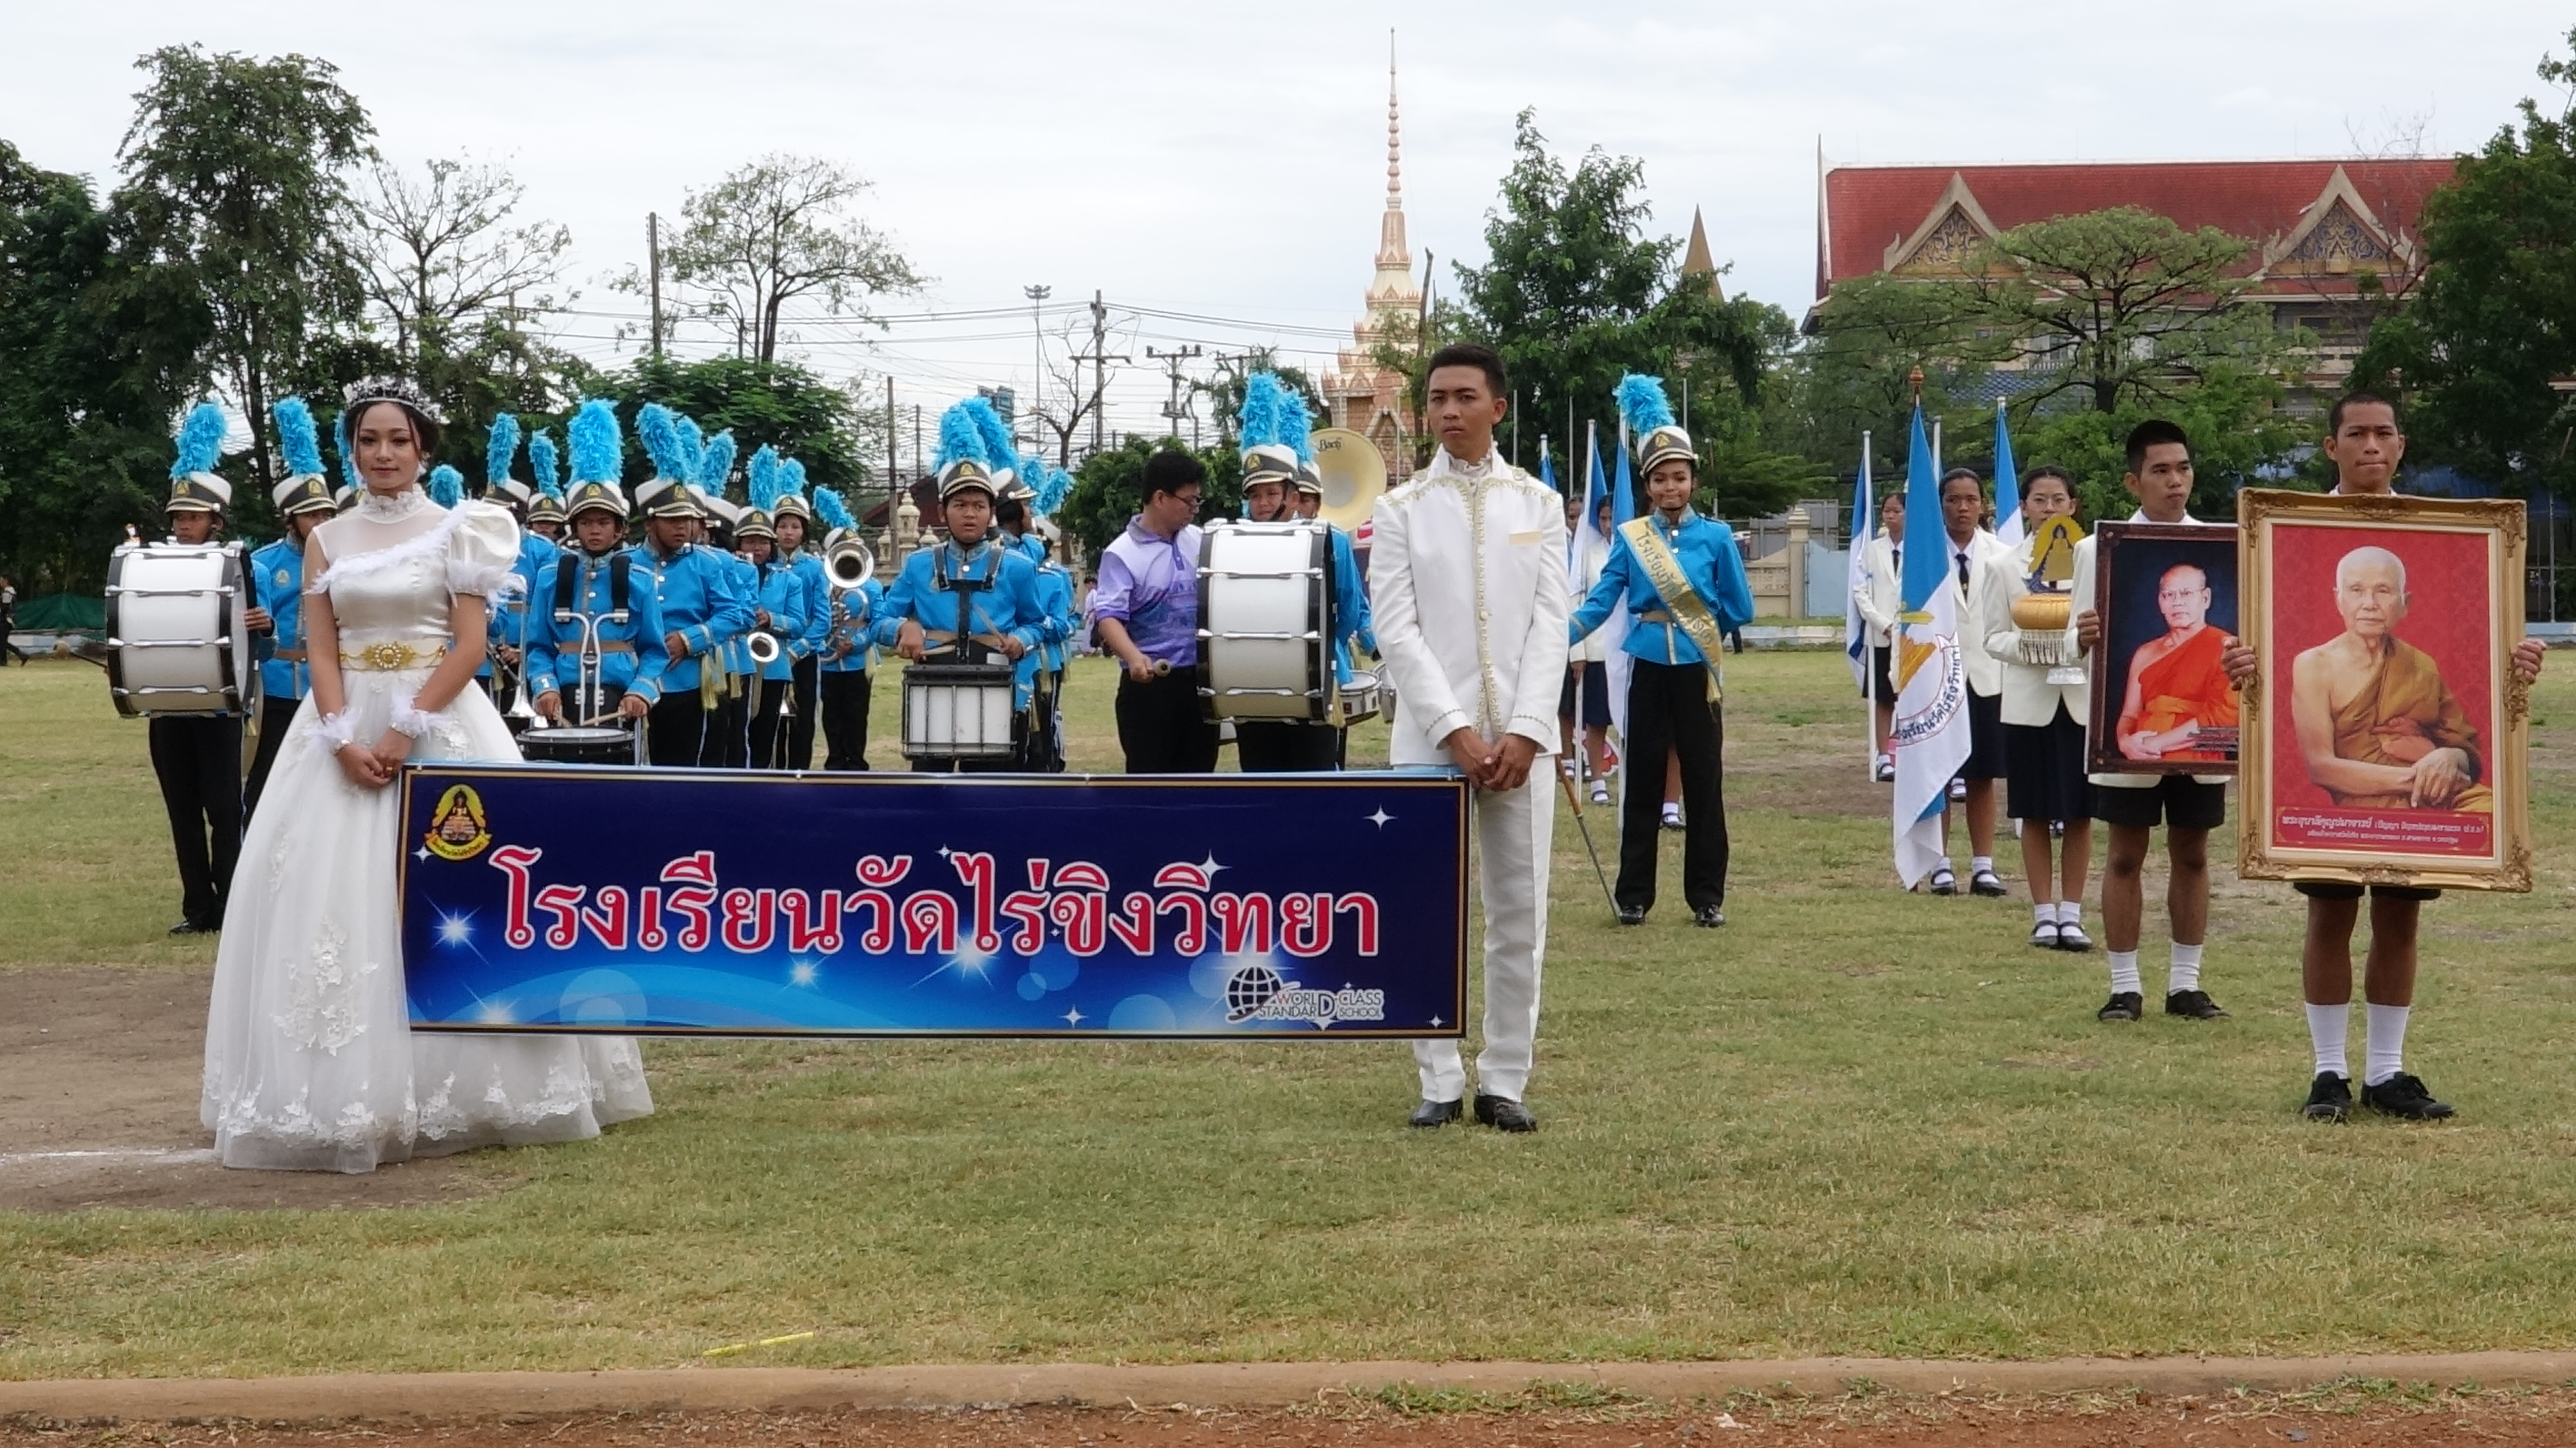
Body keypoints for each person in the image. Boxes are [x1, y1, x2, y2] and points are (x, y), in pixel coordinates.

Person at [200, 378, 651, 1173]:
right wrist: (343, 736)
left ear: (423, 449)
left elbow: (470, 645)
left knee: (465, 893)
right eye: (368, 440)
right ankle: (343, 1090)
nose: (383, 454)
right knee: (331, 895)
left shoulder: (461, 530)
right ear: (352, 450)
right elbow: (322, 648)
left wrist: (403, 730)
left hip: (441, 725)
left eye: (398, 440)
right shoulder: (326, 539)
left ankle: (482, 1083)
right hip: (340, 727)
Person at [2218, 394, 2546, 1121]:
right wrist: (2244, 662)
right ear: (2330, 447)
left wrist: (2509, 672)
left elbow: (2469, 737)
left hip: (2419, 811)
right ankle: (2328, 1072)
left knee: (2401, 916)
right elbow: (2318, 762)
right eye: (2356, 433)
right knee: (2330, 915)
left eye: (2383, 433)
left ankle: (2386, 1072)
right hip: (2339, 810)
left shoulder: (2440, 573)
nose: (2371, 445)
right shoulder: (2288, 537)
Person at [1372, 342, 1568, 1133]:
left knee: (1519, 913)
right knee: (1425, 910)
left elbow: (1553, 623)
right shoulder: (1400, 509)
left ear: (1499, 407)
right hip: (1430, 743)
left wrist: (1526, 730)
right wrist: (1452, 729)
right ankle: (1439, 1077)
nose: (1449, 411)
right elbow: (1396, 629)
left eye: (1465, 397)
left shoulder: (1539, 505)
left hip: (1524, 745)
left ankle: (1505, 1078)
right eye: (1437, 398)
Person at [1567, 373, 1754, 929]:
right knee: (1643, 780)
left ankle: (1707, 897)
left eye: (1679, 477)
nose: (1670, 488)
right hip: (1647, 665)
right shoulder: (1631, 538)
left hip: (1697, 668)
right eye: (1660, 479)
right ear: (1647, 486)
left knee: (1703, 781)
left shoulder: (1717, 537)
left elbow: (1738, 606)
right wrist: (1559, 634)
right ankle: (1633, 896)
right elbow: (1602, 601)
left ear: (1693, 479)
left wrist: (1702, 626)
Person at [875, 398, 1051, 772]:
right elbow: (879, 620)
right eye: (960, 505)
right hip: (932, 691)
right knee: (931, 791)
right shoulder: (919, 564)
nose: (970, 514)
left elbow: (1036, 624)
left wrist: (1021, 640)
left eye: (979, 505)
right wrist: (903, 628)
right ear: (943, 511)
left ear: (991, 512)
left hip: (997, 689)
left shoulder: (1018, 567)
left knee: (991, 792)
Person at [1978, 466, 2097, 953]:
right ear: (2025, 507)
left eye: (2059, 500)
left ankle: (2073, 913)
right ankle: (2043, 913)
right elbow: (1993, 638)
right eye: (2040, 500)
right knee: (2033, 810)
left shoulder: (2094, 560)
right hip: (2029, 704)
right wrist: (2047, 648)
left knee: (2080, 813)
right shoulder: (2004, 567)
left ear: (2073, 506)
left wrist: (2078, 646)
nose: (2050, 509)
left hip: (2082, 702)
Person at [2290, 547, 2490, 811]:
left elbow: (2464, 747)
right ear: (2339, 600)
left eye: (2383, 591)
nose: (2370, 604)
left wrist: (2449, 756)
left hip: (2441, 794)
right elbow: (2321, 768)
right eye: (2356, 590)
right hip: (2370, 804)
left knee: (2492, 811)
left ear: (2405, 604)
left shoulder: (2421, 665)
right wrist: (2420, 779)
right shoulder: (2314, 666)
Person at [1229, 372, 1359, 773]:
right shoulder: (1233, 541)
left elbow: (1348, 610)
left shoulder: (1331, 540)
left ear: (1292, 495)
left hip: (1315, 678)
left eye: (1272, 493)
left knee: (1316, 783)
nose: (1263, 504)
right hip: (1253, 679)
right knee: (1260, 780)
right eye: (1255, 495)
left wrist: (1311, 649)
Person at [150, 403, 245, 935]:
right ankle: (197, 909)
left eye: (192, 518)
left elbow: (257, 642)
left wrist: (260, 627)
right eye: (178, 518)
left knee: (225, 810)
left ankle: (230, 903)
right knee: (182, 812)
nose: (183, 526)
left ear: (216, 520)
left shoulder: (237, 565)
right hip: (167, 704)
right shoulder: (152, 564)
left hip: (219, 708)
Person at [523, 421, 663, 737]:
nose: (595, 530)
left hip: (622, 697)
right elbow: (538, 647)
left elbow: (654, 650)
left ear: (620, 529)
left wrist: (641, 691)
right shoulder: (550, 576)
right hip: (563, 696)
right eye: (586, 523)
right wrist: (545, 686)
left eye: (603, 522)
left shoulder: (641, 579)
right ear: (575, 528)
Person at [627, 404, 749, 768]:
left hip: (691, 682)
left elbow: (736, 614)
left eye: (688, 520)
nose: (683, 527)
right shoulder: (626, 563)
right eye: (672, 520)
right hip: (633, 681)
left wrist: (690, 639)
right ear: (650, 523)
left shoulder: (707, 563)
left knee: (686, 771)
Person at [244, 398, 340, 817]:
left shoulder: (348, 561)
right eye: (310, 515)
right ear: (290, 519)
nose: (320, 523)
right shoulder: (264, 563)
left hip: (330, 687)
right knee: (266, 781)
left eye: (326, 514)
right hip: (278, 688)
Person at [1094, 449, 1218, 773]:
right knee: (1150, 785)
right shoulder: (1122, 553)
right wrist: (1134, 658)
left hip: (1200, 685)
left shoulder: (1202, 541)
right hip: (1149, 690)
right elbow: (1109, 616)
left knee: (1200, 783)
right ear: (1161, 498)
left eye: (1197, 501)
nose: (1194, 509)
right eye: (1189, 501)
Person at [1935, 468, 2015, 897]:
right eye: (1953, 500)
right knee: (1940, 774)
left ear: (1983, 504)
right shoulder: (1924, 556)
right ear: (1941, 505)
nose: (1962, 508)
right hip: (1937, 678)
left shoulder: (2002, 555)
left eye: (1971, 499)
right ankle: (1939, 863)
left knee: (1983, 775)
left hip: (1988, 678)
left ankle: (1984, 865)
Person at [2118, 563, 2240, 764]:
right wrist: (2125, 742)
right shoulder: (2144, 654)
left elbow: (2225, 725)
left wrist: (2157, 744)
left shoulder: (2227, 647)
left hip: (2198, 765)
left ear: (2206, 598)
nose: (2177, 603)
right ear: (2160, 602)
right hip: (2141, 762)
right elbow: (2129, 716)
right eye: (2169, 595)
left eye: (2186, 594)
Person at [736, 493, 810, 771]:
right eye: (750, 541)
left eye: (764, 542)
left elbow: (799, 625)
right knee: (735, 734)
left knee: (765, 734)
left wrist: (771, 620)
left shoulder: (789, 580)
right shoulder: (728, 572)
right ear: (739, 543)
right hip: (738, 665)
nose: (757, 548)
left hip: (773, 667)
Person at [811, 486, 880, 771]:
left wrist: (857, 642)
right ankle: (835, 760)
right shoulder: (822, 584)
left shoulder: (871, 587)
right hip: (827, 661)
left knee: (857, 713)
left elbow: (877, 622)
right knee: (831, 715)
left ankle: (856, 762)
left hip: (857, 660)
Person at [769, 460, 830, 770]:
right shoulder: (766, 565)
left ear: (804, 531)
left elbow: (823, 620)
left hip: (804, 656)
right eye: (783, 526)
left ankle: (801, 772)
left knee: (803, 719)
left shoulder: (815, 568)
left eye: (795, 527)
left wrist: (797, 650)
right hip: (770, 653)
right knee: (771, 720)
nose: (788, 532)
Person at [1561, 493, 1616, 805]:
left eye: (1613, 518)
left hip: (1630, 651)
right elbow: (1577, 604)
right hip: (1597, 650)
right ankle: (1597, 781)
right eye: (1604, 519)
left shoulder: (1637, 550)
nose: (1608, 525)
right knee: (1597, 720)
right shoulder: (1588, 556)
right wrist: (1577, 651)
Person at [1853, 490, 1907, 782]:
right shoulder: (1872, 550)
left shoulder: (1921, 550)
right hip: (1882, 635)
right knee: (1884, 697)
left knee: (1912, 697)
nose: (1891, 516)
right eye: (1887, 511)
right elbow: (1860, 592)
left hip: (1912, 636)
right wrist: (1884, 624)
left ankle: (1911, 751)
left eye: (1897, 511)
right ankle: (1884, 756)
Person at [0, 575, 22, 665]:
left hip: (6, 619)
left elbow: (5, 607)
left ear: (6, 581)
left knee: (2, 641)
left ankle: (21, 655)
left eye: (1, 581)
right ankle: (3, 660)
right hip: (8, 618)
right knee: (2, 641)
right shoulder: (10, 592)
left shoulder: (8, 593)